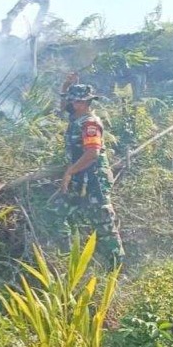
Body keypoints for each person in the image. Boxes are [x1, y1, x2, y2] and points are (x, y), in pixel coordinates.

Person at [58, 73, 125, 266]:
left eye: (72, 101)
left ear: (80, 103)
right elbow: (62, 109)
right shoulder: (76, 117)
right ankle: (68, 262)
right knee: (58, 214)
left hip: (94, 180)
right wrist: (65, 87)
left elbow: (92, 153)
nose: (69, 104)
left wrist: (69, 172)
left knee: (103, 224)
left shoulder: (90, 124)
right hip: (80, 180)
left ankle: (116, 267)